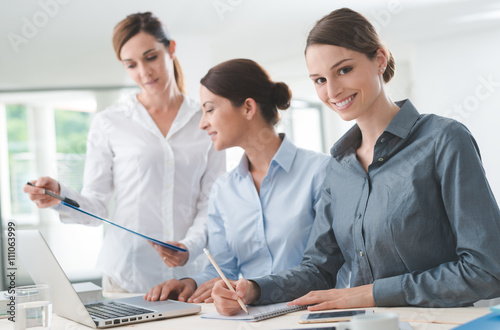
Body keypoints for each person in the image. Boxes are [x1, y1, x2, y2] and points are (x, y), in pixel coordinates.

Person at [211, 8, 500, 315]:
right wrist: (254, 288)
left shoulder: (443, 140)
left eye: (344, 70)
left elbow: (487, 270)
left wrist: (373, 294)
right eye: (320, 79)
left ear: (379, 60)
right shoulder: (338, 167)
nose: (332, 90)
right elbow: (319, 270)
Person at [23, 12, 226, 293]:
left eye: (151, 57)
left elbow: (211, 203)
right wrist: (59, 194)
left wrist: (189, 247)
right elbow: (96, 208)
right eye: (131, 65)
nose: (144, 72)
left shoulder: (205, 119)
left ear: (171, 49)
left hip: (188, 277)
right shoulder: (110, 122)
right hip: (125, 274)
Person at [144, 58, 350, 303]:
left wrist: (254, 289)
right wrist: (188, 284)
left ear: (248, 108)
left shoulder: (320, 172)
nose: (202, 123)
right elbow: (222, 271)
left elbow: (325, 269)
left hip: (313, 318)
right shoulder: (223, 190)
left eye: (210, 109)